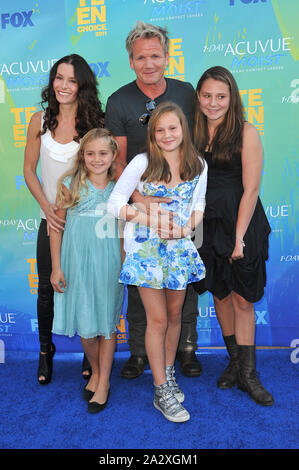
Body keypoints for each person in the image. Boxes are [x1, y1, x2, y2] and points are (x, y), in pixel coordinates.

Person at [105, 21, 202, 379]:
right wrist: (141, 201)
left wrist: (191, 207)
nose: (149, 63)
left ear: (166, 57)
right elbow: (118, 159)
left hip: (180, 209)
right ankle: (139, 353)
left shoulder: (186, 92)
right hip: (138, 207)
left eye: (155, 56)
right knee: (139, 282)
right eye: (141, 57)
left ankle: (185, 351)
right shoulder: (117, 101)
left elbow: (196, 148)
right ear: (131, 61)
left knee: (181, 281)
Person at [108, 101, 207, 422]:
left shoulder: (198, 164)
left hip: (179, 248)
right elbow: (114, 205)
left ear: (184, 130)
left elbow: (199, 204)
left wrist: (187, 228)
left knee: (176, 314)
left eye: (173, 128)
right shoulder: (141, 163)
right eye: (160, 130)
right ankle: (161, 389)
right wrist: (150, 220)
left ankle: (167, 372)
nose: (167, 135)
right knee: (158, 319)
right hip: (145, 252)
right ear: (152, 134)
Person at [193, 66, 274, 406]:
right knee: (220, 294)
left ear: (232, 98)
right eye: (208, 95)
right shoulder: (190, 133)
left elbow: (251, 189)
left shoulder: (246, 132)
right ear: (198, 97)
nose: (214, 103)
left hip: (241, 224)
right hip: (206, 226)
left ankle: (249, 376)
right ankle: (236, 364)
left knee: (242, 299)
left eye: (221, 96)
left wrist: (239, 238)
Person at [23, 54, 103, 385]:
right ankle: (45, 352)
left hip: (85, 224)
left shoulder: (94, 124)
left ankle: (90, 352)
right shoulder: (39, 121)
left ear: (81, 86)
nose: (63, 86)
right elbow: (29, 170)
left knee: (87, 288)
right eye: (58, 78)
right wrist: (49, 210)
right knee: (46, 289)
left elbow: (102, 175)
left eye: (71, 80)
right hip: (50, 221)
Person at [50, 128, 124, 413]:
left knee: (107, 322)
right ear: (82, 156)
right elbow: (55, 229)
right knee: (86, 324)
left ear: (113, 155)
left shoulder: (120, 187)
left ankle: (103, 380)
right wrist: (57, 266)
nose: (96, 159)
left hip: (109, 261)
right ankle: (95, 369)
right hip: (76, 261)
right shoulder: (70, 183)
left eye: (103, 153)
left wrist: (124, 262)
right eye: (90, 153)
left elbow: (122, 229)